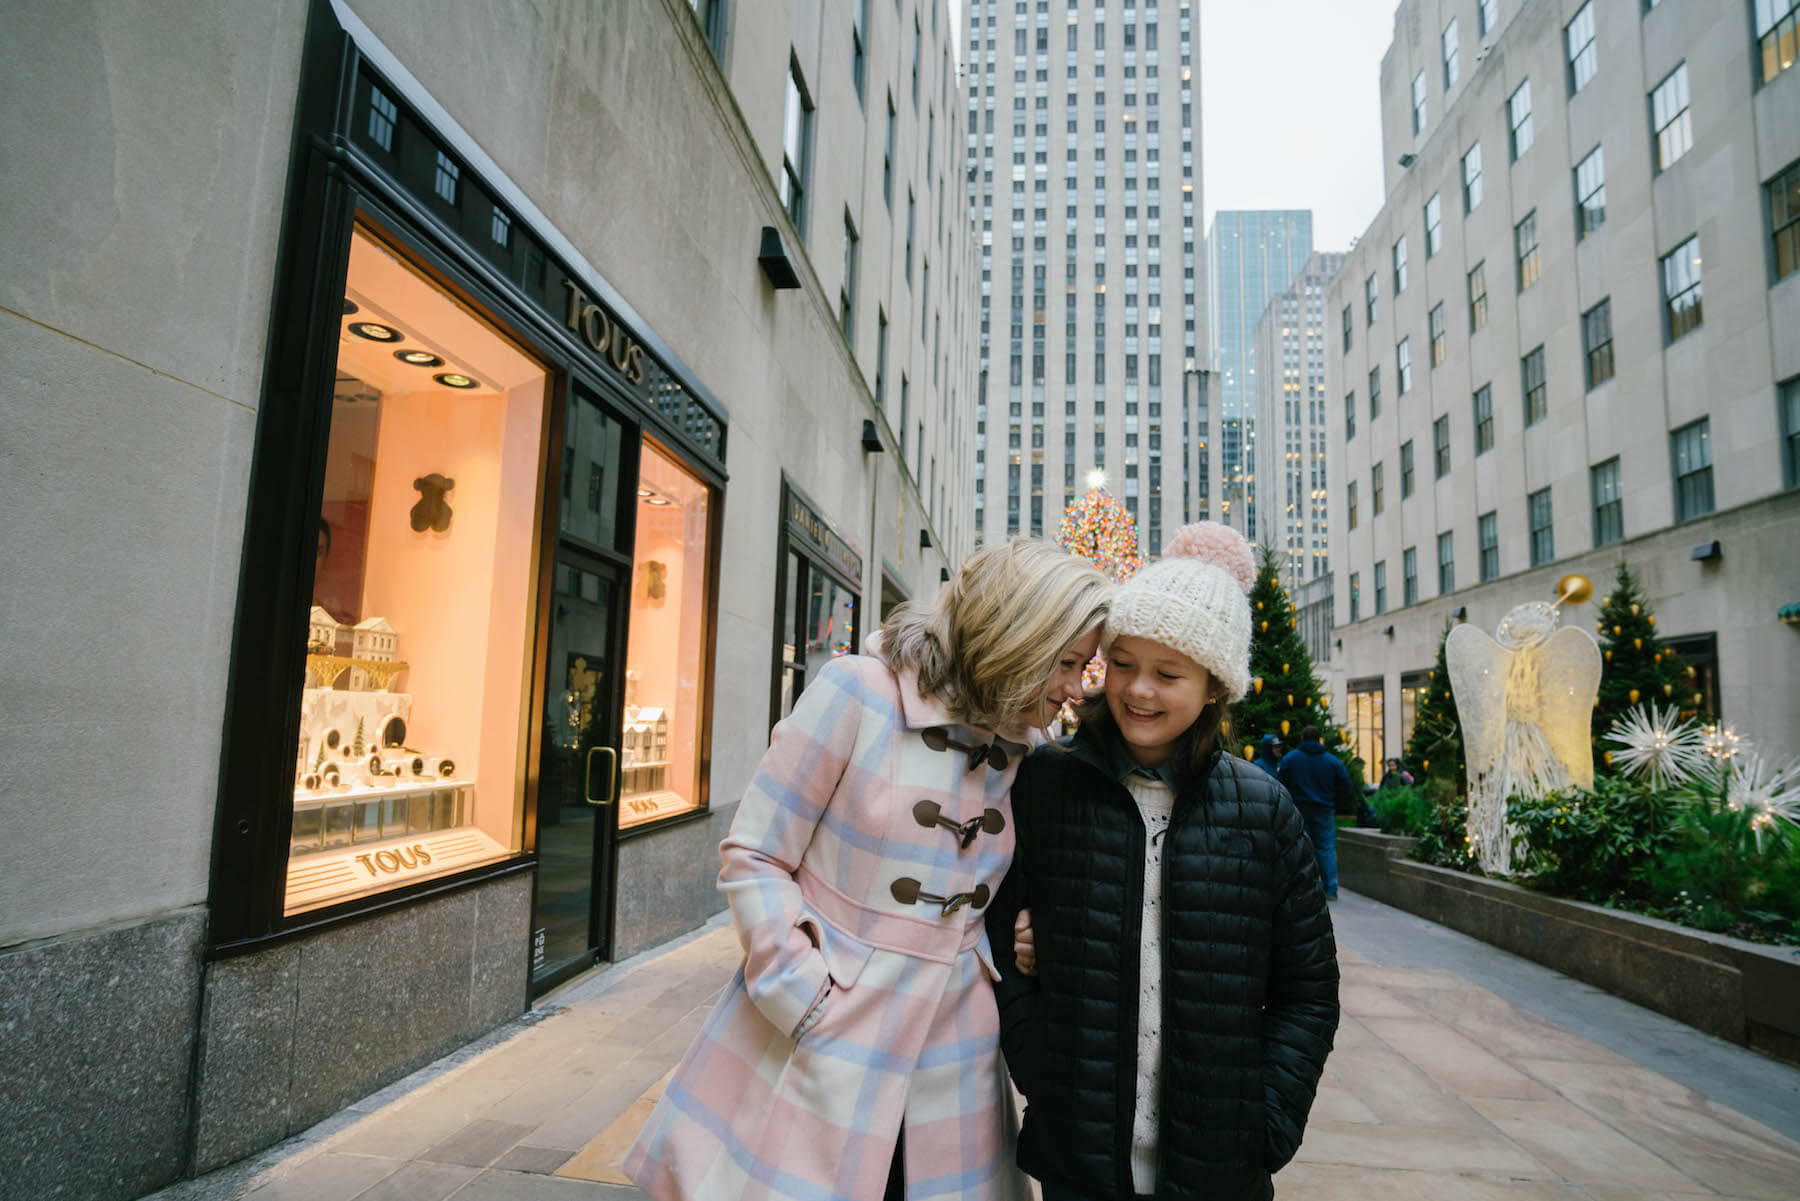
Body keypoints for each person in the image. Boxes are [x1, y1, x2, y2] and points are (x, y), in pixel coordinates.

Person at [625, 540, 1111, 1201]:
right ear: (1018, 637)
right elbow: (756, 852)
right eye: (1068, 662)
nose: (1076, 686)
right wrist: (801, 995)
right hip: (824, 1037)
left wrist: (1027, 930)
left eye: (1085, 666)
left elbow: (999, 893)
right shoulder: (857, 693)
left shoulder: (1024, 750)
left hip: (957, 1060)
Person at [985, 522, 1339, 1201]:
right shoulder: (1045, 784)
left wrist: (1267, 1119)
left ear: (1214, 687)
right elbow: (998, 936)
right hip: (1077, 1165)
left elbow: (1308, 989)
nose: (1138, 691)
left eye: (1168, 674)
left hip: (1220, 1172)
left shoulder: (1263, 809)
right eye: (1122, 664)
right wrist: (1041, 1069)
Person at [1278, 726, 1353, 902]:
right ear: (1319, 738)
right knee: (1326, 847)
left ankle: (1301, 888)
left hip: (1299, 807)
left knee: (1300, 846)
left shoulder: (1291, 759)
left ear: (1302, 737)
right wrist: (1335, 801)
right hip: (1324, 808)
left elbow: (1280, 782)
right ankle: (1330, 889)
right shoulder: (1332, 761)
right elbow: (1346, 784)